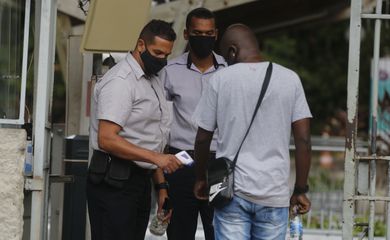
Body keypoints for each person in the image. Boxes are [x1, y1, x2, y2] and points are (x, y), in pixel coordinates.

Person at [193, 24, 312, 240]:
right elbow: (303, 139)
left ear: (232, 51)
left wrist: (201, 178)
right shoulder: (290, 78)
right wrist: (300, 189)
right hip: (274, 193)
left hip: (231, 192)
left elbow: (202, 138)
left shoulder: (220, 79)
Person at [86, 20, 183, 240]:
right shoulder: (121, 81)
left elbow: (151, 140)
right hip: (114, 184)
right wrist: (156, 158)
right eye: (157, 52)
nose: (162, 60)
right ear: (141, 45)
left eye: (166, 55)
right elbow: (107, 139)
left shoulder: (152, 79)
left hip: (139, 182)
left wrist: (161, 188)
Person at [159, 7, 226, 240]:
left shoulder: (229, 71)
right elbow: (160, 119)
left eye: (209, 34)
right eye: (198, 33)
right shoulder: (169, 71)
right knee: (179, 232)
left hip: (219, 163)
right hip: (181, 161)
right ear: (187, 34)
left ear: (216, 34)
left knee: (219, 231)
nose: (204, 38)